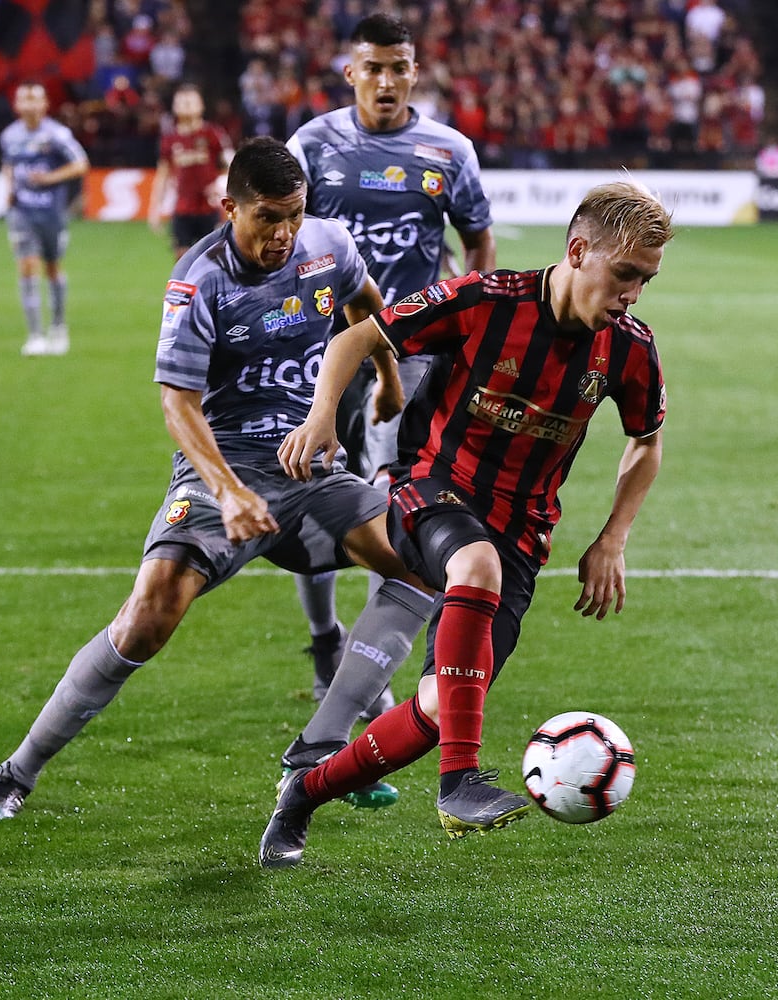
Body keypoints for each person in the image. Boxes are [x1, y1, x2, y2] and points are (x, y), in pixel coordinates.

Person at [0, 137, 435, 821]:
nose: (283, 234)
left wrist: (387, 382)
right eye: (267, 218)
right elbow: (177, 403)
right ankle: (18, 771)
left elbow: (369, 306)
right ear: (230, 208)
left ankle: (326, 750)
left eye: (294, 216)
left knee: (418, 563)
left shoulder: (328, 243)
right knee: (150, 614)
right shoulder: (200, 278)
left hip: (310, 467)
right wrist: (227, 490)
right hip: (224, 466)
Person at [259, 180, 673, 866]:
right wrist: (322, 414)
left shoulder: (629, 348)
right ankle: (461, 782)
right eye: (625, 273)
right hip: (431, 490)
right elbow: (357, 338)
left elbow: (646, 441)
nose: (633, 292)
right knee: (471, 567)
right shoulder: (486, 299)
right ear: (577, 251)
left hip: (522, 535)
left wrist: (613, 536)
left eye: (645, 279)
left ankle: (304, 793)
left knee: (433, 706)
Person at [285, 13, 496, 717]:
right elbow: (283, 243)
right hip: (326, 358)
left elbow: (477, 243)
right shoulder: (311, 147)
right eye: (371, 67)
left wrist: (475, 328)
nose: (385, 80)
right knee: (311, 491)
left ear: (414, 72)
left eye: (397, 67)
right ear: (351, 72)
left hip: (423, 362)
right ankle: (324, 636)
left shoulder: (449, 151)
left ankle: (365, 670)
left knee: (396, 508)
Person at [0, 82, 90, 356]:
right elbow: (8, 164)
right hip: (22, 212)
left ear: (44, 104)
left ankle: (59, 328)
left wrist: (50, 178)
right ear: (16, 105)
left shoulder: (57, 134)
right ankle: (35, 334)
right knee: (27, 266)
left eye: (34, 98)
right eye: (23, 98)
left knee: (52, 267)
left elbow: (80, 164)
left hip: (52, 212)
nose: (28, 104)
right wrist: (8, 190)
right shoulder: (10, 135)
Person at [147, 83, 234, 260]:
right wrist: (154, 208)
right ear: (175, 107)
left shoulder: (212, 133)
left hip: (209, 208)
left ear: (200, 105)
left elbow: (231, 166)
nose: (186, 106)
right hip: (182, 209)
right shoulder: (170, 138)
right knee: (182, 259)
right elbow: (163, 173)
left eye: (190, 102)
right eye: (181, 102)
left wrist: (219, 186)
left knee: (212, 259)